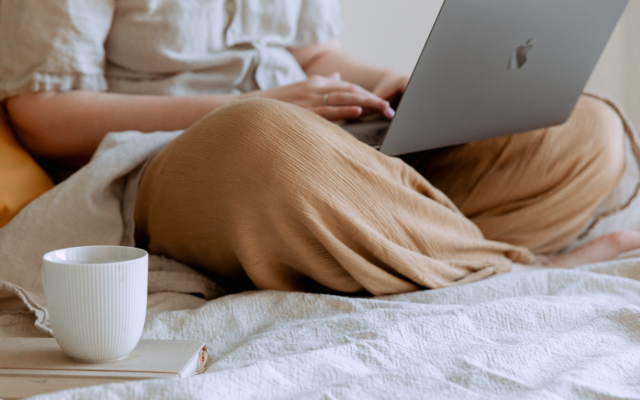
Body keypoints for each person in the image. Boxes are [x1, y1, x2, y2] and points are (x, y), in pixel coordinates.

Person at [0, 0, 636, 295]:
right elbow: (43, 112)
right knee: (263, 141)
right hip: (186, 153)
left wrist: (388, 84)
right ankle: (523, 269)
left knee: (585, 134)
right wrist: (250, 108)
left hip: (314, 140)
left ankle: (383, 246)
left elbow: (317, 55)